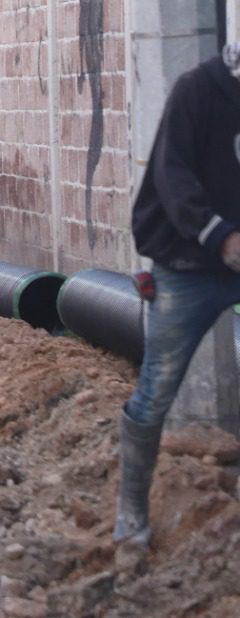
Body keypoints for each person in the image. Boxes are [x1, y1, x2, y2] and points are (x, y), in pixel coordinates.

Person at [116, 45, 240, 548]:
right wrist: (220, 237)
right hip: (186, 267)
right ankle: (131, 520)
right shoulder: (198, 91)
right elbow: (172, 175)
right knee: (156, 390)